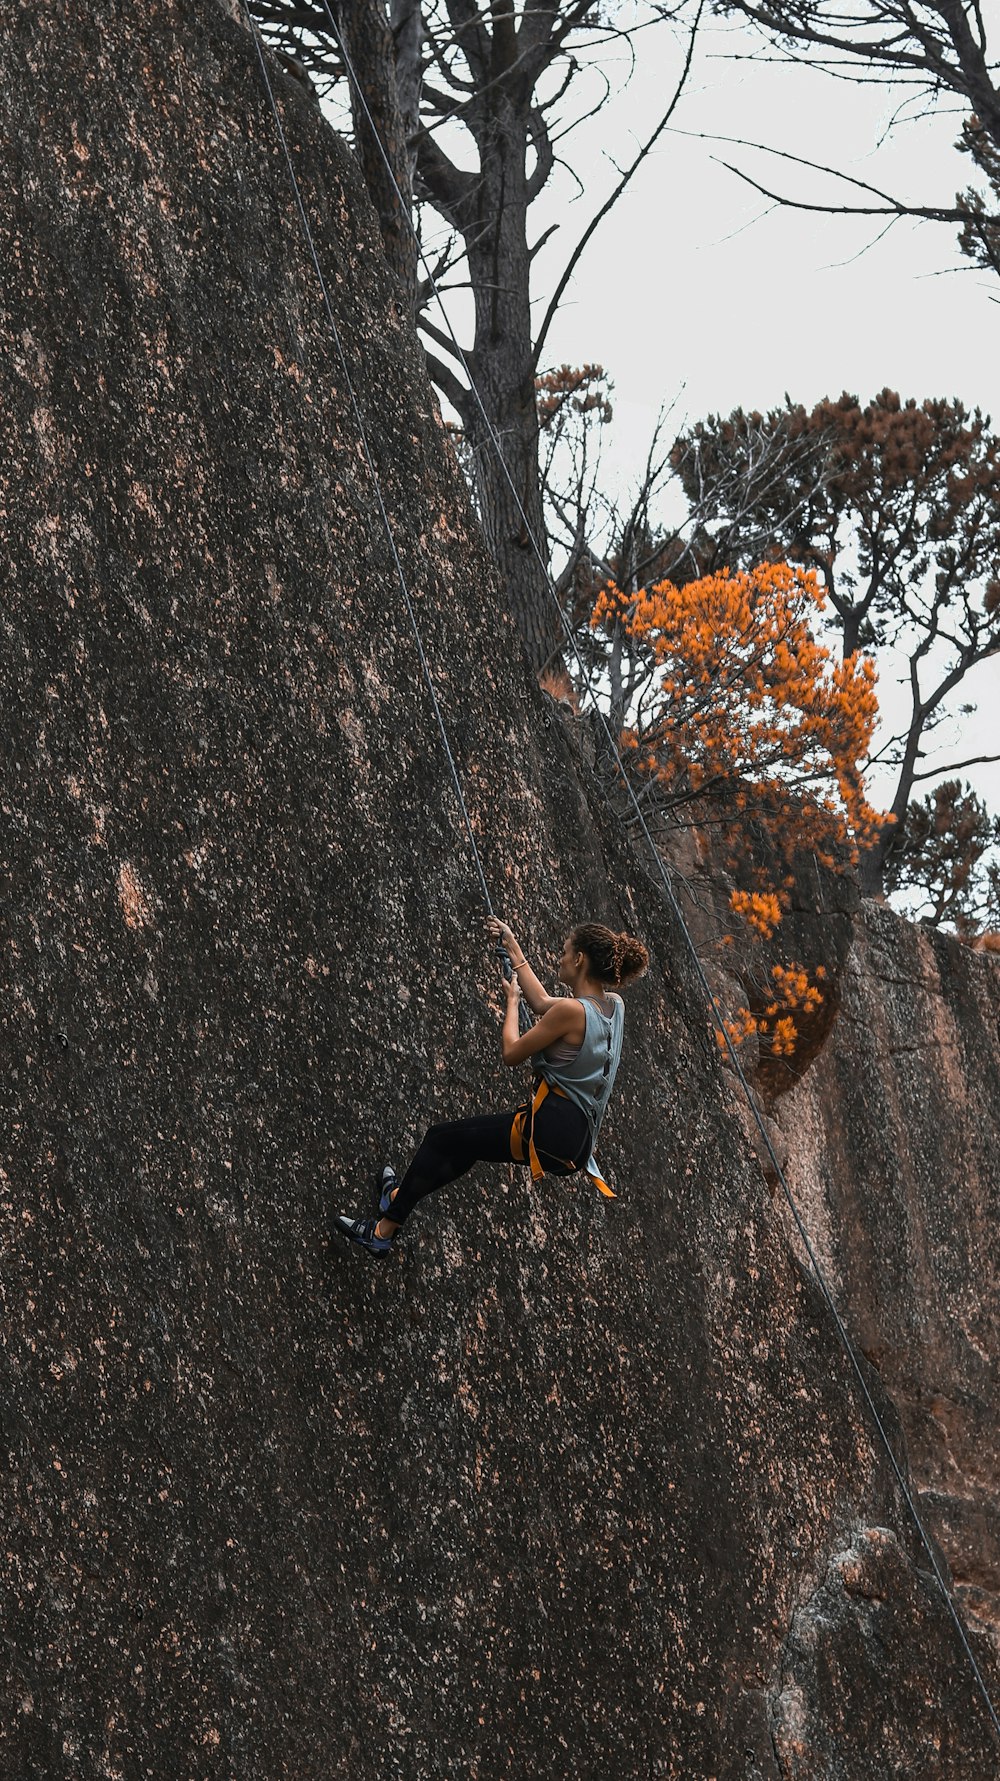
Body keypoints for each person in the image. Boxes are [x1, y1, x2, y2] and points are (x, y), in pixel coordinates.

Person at [334, 918, 649, 1257]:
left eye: (565, 951)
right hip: (576, 1141)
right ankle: (398, 1199)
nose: (560, 957)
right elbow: (543, 1002)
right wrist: (512, 947)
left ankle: (382, 1231)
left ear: (579, 959)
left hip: (550, 1132)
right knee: (464, 1144)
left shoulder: (574, 1011)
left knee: (440, 1139)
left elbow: (512, 1052)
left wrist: (511, 1003)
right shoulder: (614, 1006)